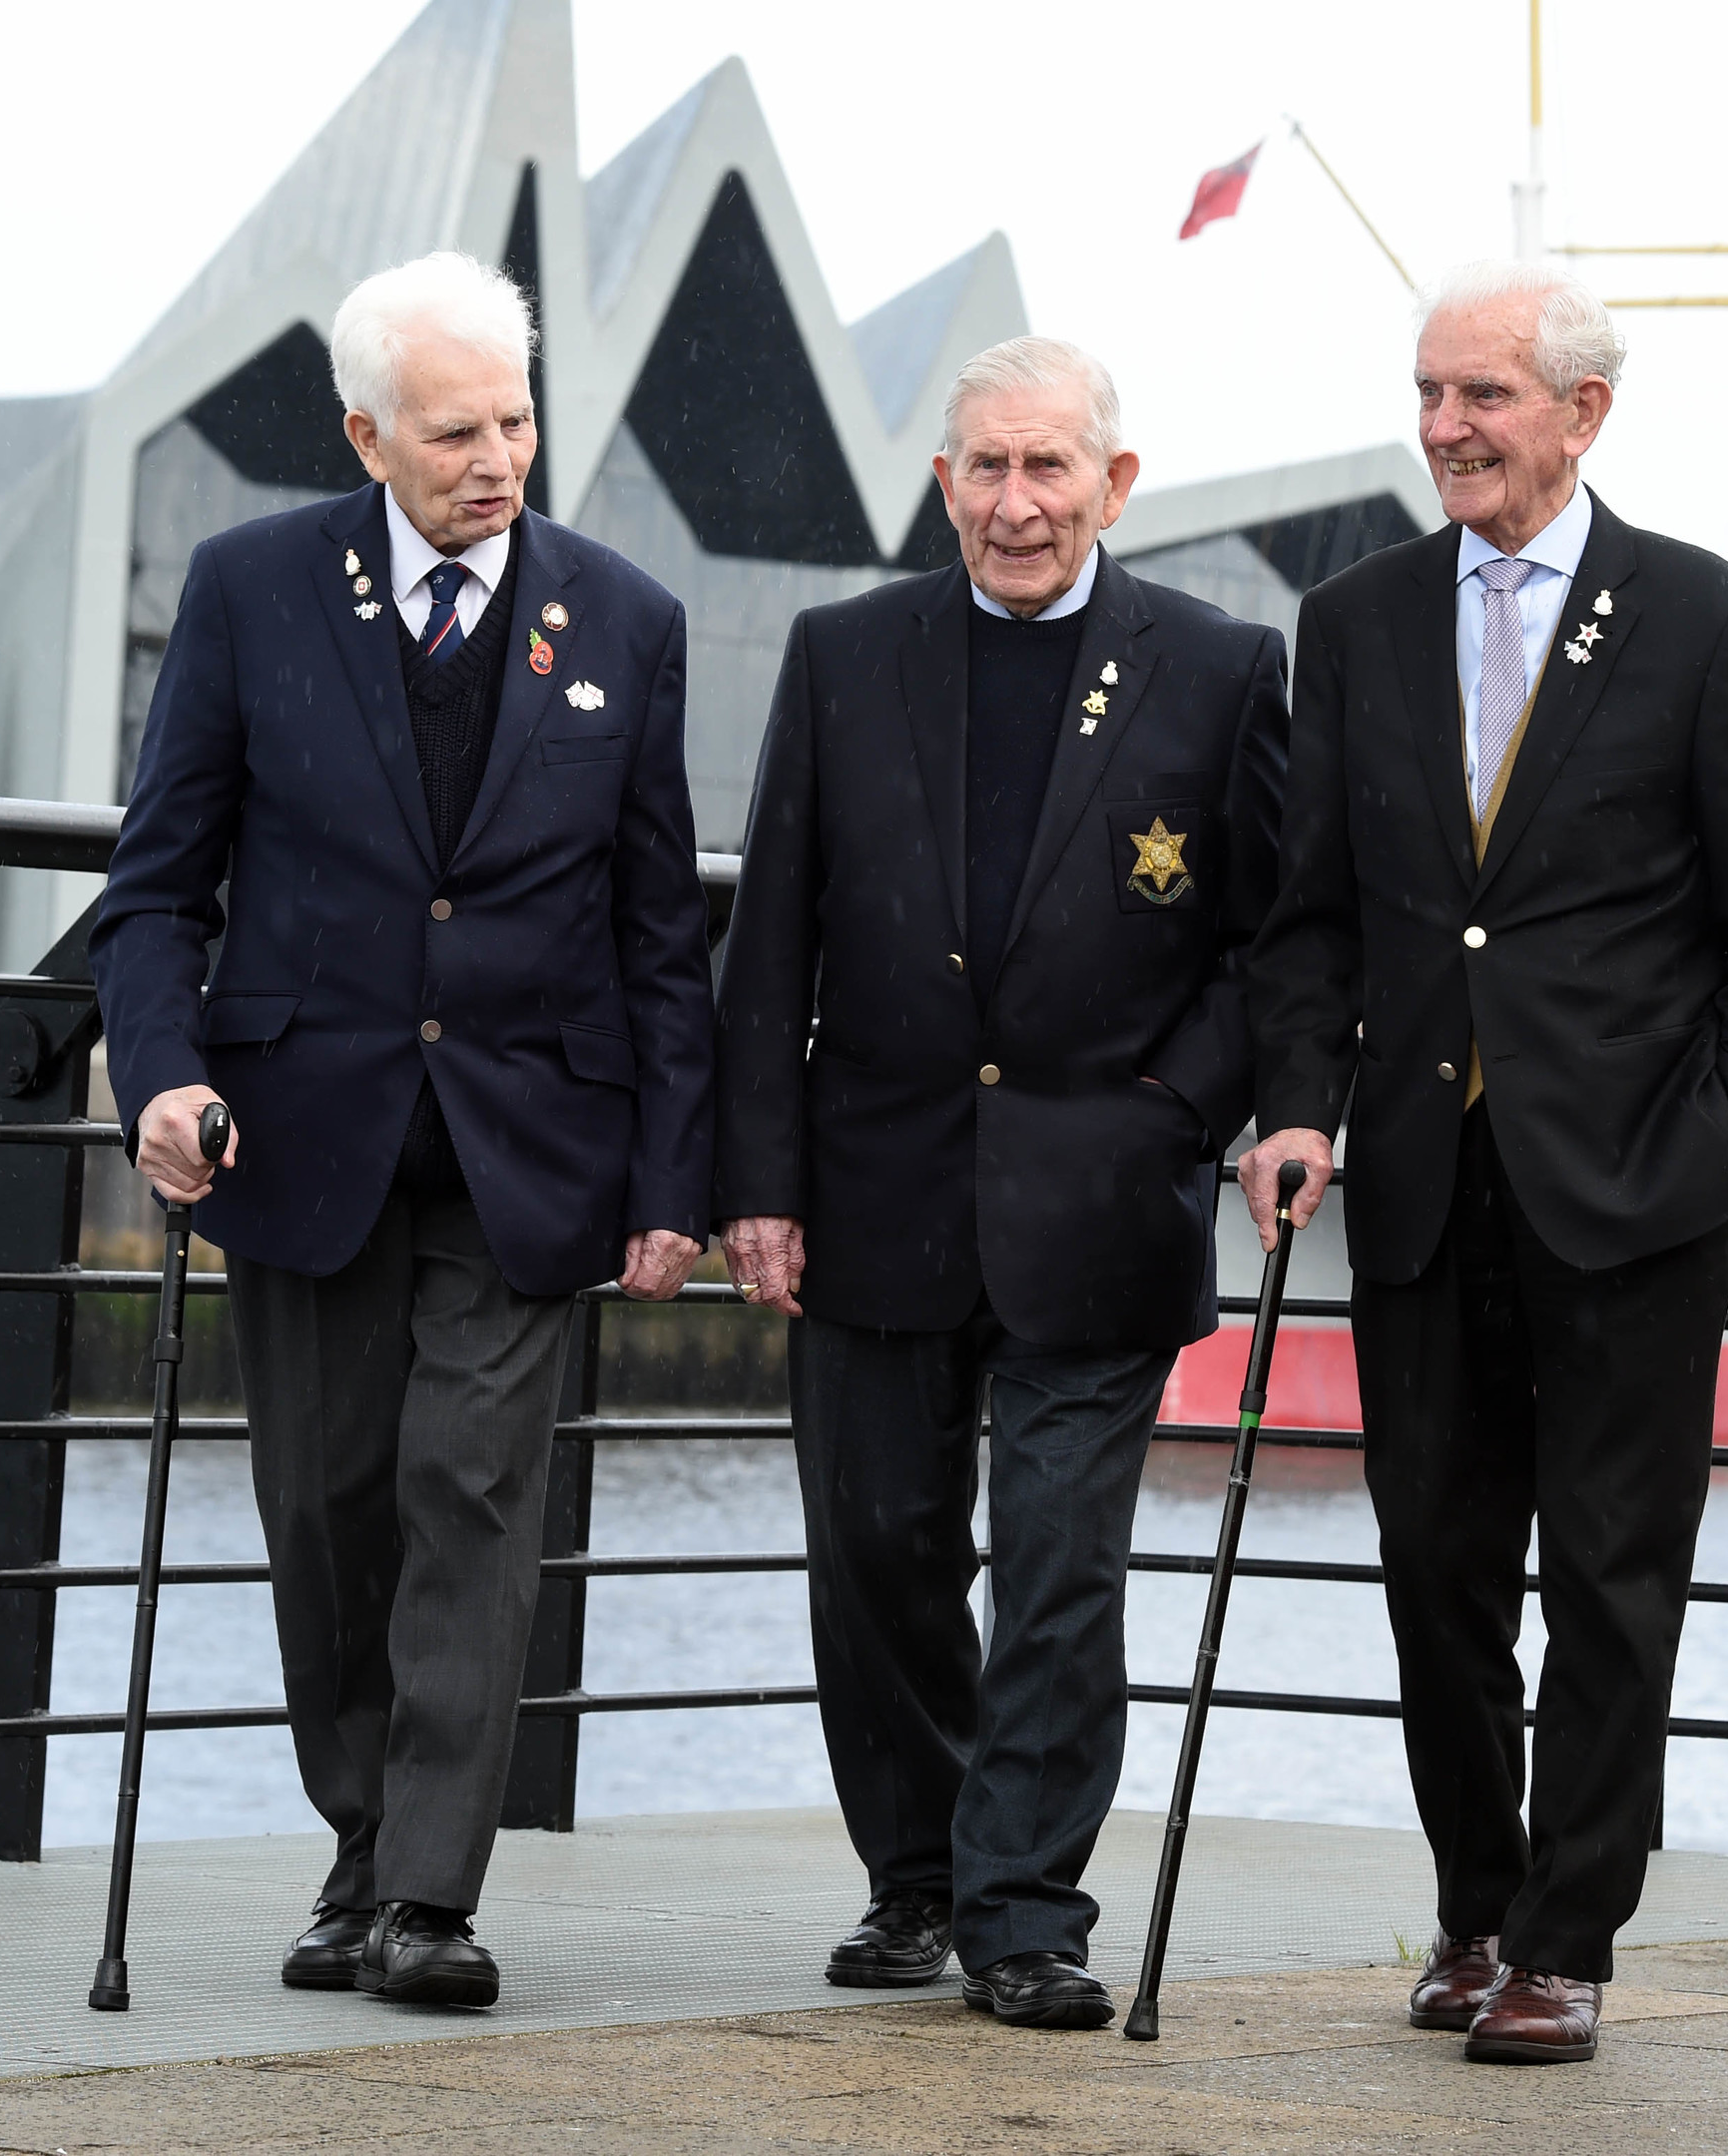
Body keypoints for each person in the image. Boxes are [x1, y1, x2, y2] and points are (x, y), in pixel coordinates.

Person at [91, 251, 712, 2012]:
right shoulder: (249, 591)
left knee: (473, 1494)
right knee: (328, 1507)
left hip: (532, 1145)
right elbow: (156, 893)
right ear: (365, 431)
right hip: (296, 1138)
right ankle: (357, 1847)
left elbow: (662, 932)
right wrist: (161, 1077)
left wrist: (676, 1177)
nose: (496, 458)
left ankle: (433, 1895)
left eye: (516, 418)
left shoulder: (629, 622)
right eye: (453, 432)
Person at [1241, 260, 1728, 2065]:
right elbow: (1308, 920)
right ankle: (1474, 1905)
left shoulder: (1712, 624)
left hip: (1637, 1186)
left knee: (1608, 1572)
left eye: (1482, 396)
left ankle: (1569, 1937)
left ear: (1583, 411)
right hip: (1422, 1177)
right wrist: (1295, 1104)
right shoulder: (1350, 621)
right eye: (1428, 394)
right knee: (1436, 1567)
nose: (1444, 430)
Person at [715, 337, 1288, 2031]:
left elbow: (1273, 944)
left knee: (1058, 1569)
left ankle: (1027, 1908)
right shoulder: (841, 656)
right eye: (985, 469)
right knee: (876, 1552)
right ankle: (922, 1875)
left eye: (1050, 471)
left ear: (1116, 486)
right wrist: (758, 1177)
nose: (1016, 505)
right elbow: (771, 946)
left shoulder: (1223, 665)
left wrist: (1178, 1112)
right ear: (944, 481)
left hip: (1102, 1202)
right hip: (872, 1184)